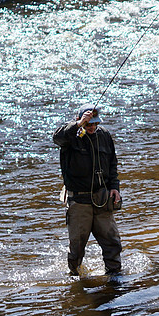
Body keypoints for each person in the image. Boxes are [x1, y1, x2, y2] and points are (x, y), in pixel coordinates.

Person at [53, 105, 123, 276]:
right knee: (77, 247)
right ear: (80, 121)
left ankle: (115, 280)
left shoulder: (104, 135)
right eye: (88, 124)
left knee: (112, 242)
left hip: (102, 198)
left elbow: (113, 163)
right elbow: (57, 138)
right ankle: (75, 279)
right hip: (79, 201)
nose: (92, 128)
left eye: (94, 124)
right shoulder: (70, 136)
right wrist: (78, 124)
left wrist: (115, 187)